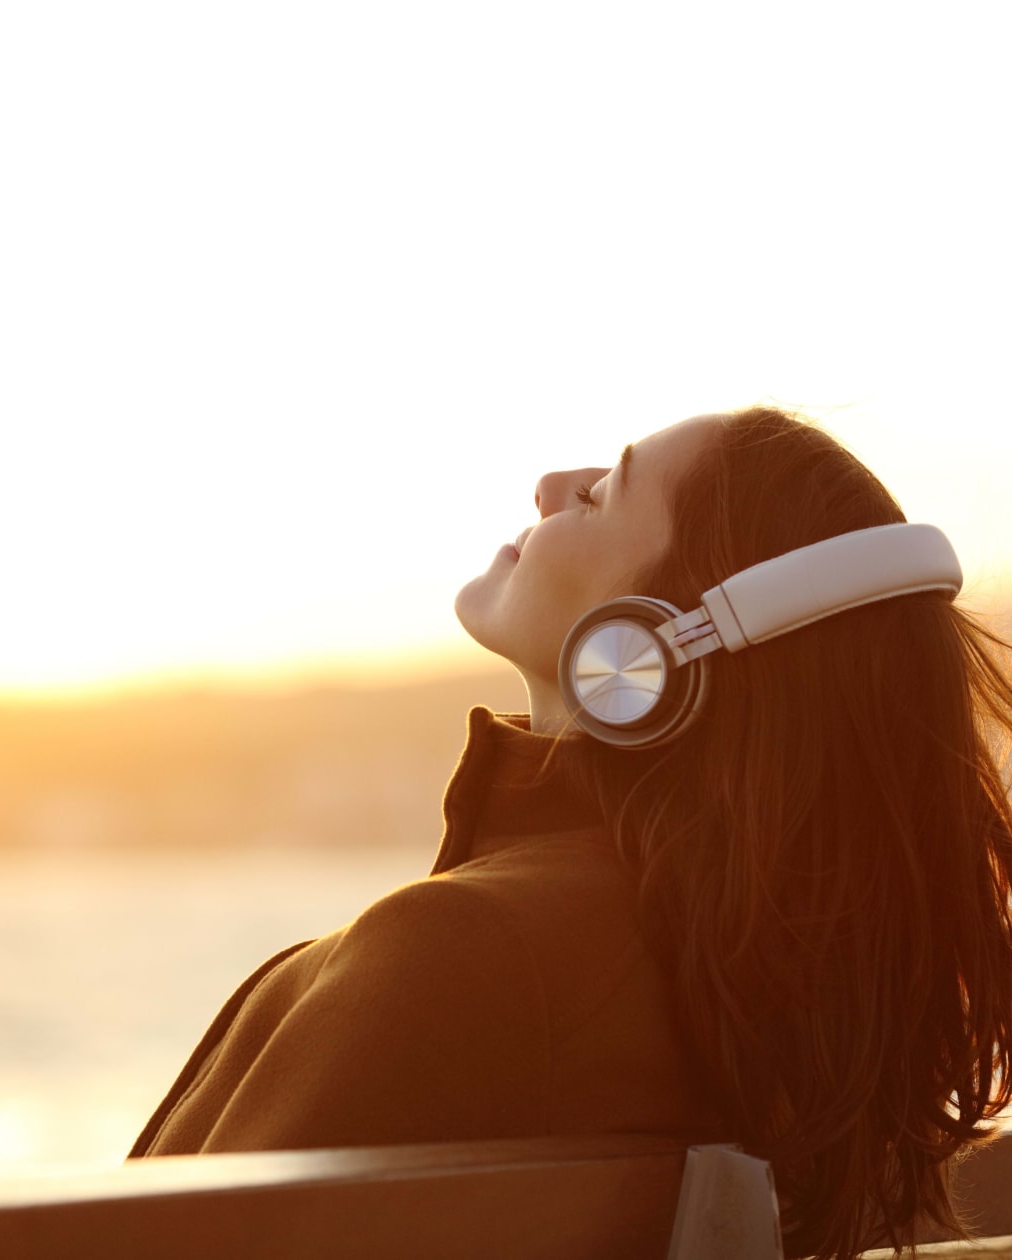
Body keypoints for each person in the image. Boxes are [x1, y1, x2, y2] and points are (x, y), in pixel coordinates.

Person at [128, 406, 1012, 1260]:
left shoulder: (470, 951)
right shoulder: (737, 977)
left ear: (655, 645)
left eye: (600, 496)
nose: (552, 484)